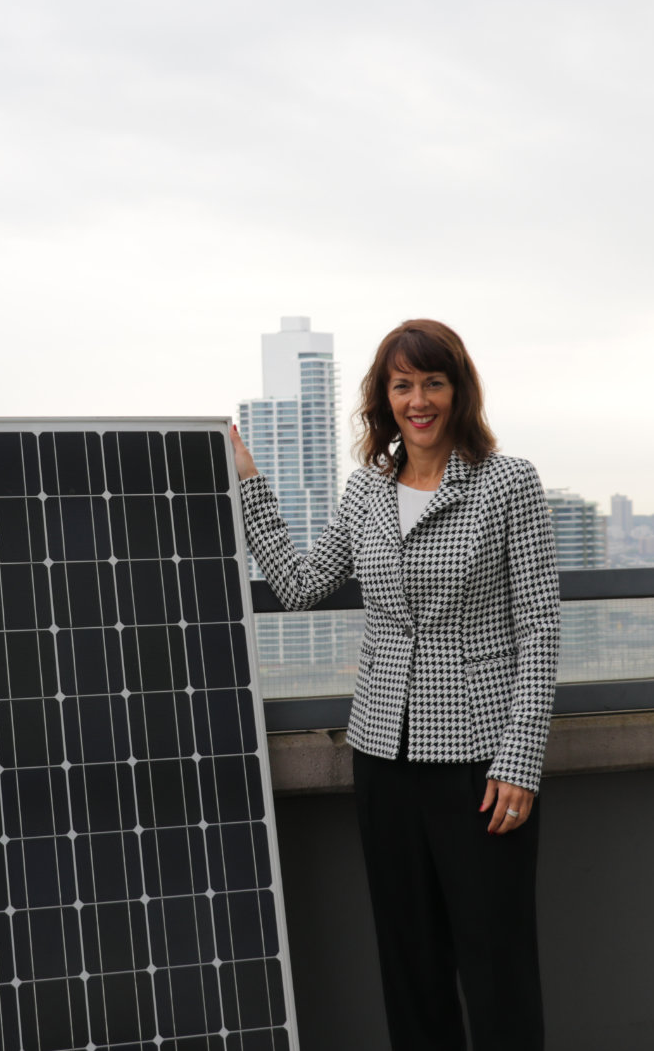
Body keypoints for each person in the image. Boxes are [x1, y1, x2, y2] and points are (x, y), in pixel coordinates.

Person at [230, 319, 560, 1050]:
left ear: (458, 390)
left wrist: (520, 759)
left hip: (481, 764)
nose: (419, 399)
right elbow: (300, 582)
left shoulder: (509, 483)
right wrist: (250, 485)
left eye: (432, 382)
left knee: (498, 969)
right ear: (384, 396)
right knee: (410, 969)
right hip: (383, 757)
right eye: (403, 384)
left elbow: (539, 625)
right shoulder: (367, 490)